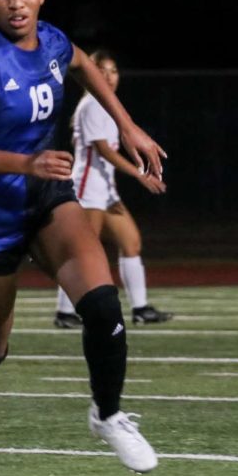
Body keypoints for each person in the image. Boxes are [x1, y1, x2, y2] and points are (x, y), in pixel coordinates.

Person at [0, 0, 166, 476]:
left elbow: (82, 64)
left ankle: (107, 414)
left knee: (103, 303)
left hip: (45, 199)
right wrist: (27, 161)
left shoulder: (54, 41)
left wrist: (127, 126)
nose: (16, 2)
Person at [52, 49, 173, 328]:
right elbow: (104, 150)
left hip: (105, 192)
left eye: (113, 70)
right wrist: (140, 173)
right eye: (101, 70)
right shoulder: (92, 104)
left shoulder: (106, 104)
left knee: (131, 242)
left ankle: (141, 308)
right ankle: (64, 312)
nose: (108, 76)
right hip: (87, 189)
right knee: (80, 251)